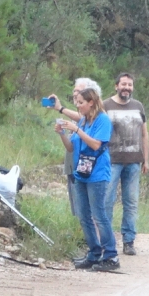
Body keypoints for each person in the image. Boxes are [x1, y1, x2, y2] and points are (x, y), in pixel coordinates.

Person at [53, 88, 119, 272]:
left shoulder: (102, 120)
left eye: (81, 102)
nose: (78, 105)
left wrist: (77, 130)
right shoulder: (83, 121)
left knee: (99, 214)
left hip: (97, 174)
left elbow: (97, 143)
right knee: (83, 215)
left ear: (91, 102)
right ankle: (94, 253)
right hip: (80, 172)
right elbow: (71, 148)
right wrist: (62, 133)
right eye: (77, 102)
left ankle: (111, 255)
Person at [101, 73, 149, 256]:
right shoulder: (106, 105)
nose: (126, 87)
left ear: (132, 87)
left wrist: (146, 159)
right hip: (110, 162)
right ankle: (107, 241)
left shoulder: (138, 106)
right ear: (116, 86)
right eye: (123, 84)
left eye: (129, 85)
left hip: (133, 162)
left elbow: (145, 134)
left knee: (131, 202)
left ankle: (129, 241)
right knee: (107, 202)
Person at [48, 78, 102, 218]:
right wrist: (62, 133)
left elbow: (83, 118)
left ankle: (93, 236)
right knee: (76, 206)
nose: (75, 94)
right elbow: (71, 146)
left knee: (88, 208)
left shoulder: (95, 117)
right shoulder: (79, 114)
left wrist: (60, 109)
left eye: (79, 91)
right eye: (74, 91)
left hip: (88, 167)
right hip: (73, 162)